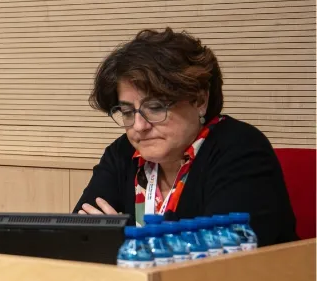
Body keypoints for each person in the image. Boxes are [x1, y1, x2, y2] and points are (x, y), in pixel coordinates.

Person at [74, 28, 297, 246]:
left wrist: (125, 241)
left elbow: (219, 254)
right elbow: (78, 238)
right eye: (128, 112)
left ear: (199, 100)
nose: (139, 126)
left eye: (155, 107)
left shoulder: (242, 149)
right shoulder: (123, 152)